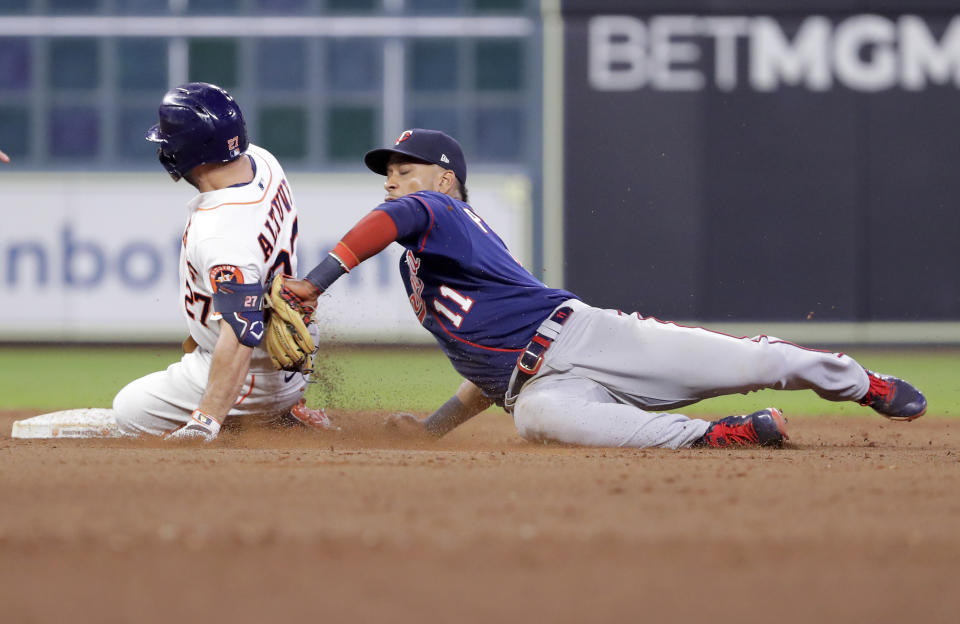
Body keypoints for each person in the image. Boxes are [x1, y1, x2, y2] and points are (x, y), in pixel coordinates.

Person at [281, 128, 926, 449]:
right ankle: (720, 438)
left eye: (406, 169)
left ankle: (862, 384)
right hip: (536, 382)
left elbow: (393, 219)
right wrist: (433, 428)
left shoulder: (440, 214)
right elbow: (486, 372)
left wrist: (315, 282)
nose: (392, 180)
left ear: (445, 181)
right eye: (387, 172)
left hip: (586, 335)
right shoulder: (422, 263)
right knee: (535, 420)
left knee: (754, 361)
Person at [112, 82, 334, 441]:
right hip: (294, 362)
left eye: (168, 142)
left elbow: (243, 331)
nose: (164, 149)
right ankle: (286, 406)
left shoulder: (221, 232)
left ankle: (253, 421)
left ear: (186, 151)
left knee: (128, 411)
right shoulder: (264, 163)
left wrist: (206, 418)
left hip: (252, 376)